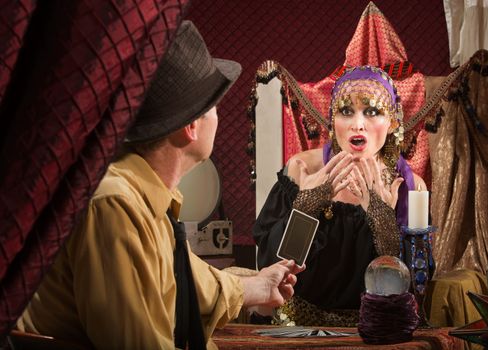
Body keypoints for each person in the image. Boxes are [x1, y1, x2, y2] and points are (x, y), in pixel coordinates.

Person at [18, 20, 304, 349]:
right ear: (192, 126)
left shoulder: (145, 199)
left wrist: (260, 286)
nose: (218, 116)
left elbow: (188, 281)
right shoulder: (114, 204)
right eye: (213, 106)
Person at [254, 65, 426, 327]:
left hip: (374, 330)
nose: (358, 125)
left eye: (372, 111)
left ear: (392, 123)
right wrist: (306, 208)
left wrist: (383, 224)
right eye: (346, 111)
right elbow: (273, 270)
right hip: (296, 325)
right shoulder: (303, 169)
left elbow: (415, 288)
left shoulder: (410, 188)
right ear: (332, 120)